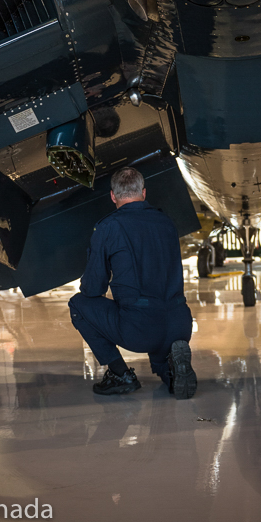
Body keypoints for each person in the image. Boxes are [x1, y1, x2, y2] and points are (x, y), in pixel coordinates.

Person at [69, 166, 197, 399]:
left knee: (78, 304)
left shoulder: (108, 227)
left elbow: (94, 288)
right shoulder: (167, 223)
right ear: (144, 193)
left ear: (113, 196)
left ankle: (120, 375)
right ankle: (171, 371)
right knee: (159, 349)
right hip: (180, 323)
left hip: (140, 328)